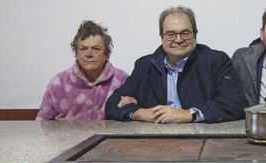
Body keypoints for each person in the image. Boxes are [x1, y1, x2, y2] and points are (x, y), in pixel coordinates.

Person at [105, 6, 247, 123]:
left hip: (202, 139)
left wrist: (188, 114)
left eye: (185, 33)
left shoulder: (216, 61)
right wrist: (139, 113)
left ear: (195, 35)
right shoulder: (145, 65)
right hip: (154, 142)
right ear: (162, 37)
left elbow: (235, 104)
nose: (178, 40)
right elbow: (112, 105)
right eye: (171, 34)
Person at [37, 20, 128, 120]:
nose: (89, 54)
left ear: (107, 54)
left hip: (108, 135)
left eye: (96, 49)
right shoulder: (58, 83)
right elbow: (42, 125)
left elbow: (132, 120)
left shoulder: (122, 81)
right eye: (83, 49)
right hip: (65, 135)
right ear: (76, 53)